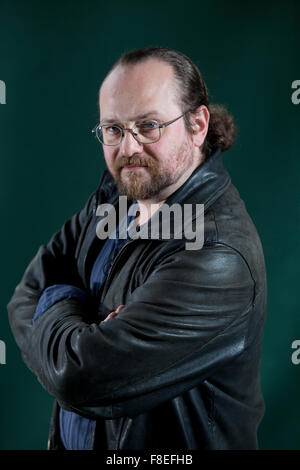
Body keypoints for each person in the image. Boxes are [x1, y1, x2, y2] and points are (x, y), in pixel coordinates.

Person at [7, 47, 267, 451]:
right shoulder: (115, 199)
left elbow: (79, 378)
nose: (128, 148)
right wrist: (76, 311)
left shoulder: (217, 252)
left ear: (198, 125)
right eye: (112, 129)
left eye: (148, 125)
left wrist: (56, 305)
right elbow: (25, 293)